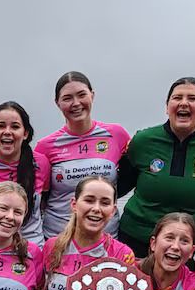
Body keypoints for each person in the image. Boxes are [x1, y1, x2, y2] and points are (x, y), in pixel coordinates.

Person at [115, 77, 195, 256]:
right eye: (177, 98)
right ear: (167, 106)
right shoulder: (143, 141)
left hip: (190, 243)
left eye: (192, 98)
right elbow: (118, 187)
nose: (184, 103)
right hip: (138, 238)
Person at [34, 72, 130, 237]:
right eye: (67, 98)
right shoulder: (45, 146)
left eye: (81, 95)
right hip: (58, 237)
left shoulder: (117, 135)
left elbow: (130, 177)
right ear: (57, 103)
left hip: (105, 236)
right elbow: (40, 197)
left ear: (92, 95)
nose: (76, 103)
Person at [0, 101, 50, 243]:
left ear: (25, 133)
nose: (7, 132)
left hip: (31, 250)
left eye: (15, 127)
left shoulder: (41, 164)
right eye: (1, 126)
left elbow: (45, 202)